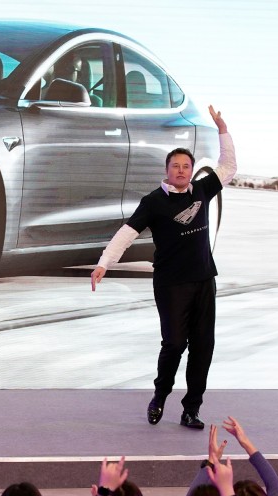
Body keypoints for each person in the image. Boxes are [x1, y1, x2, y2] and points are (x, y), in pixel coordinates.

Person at [91, 105, 236, 428]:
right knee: (174, 344)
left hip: (203, 280)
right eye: (176, 166)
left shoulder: (202, 189)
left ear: (192, 170)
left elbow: (228, 166)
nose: (181, 171)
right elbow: (127, 232)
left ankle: (191, 409)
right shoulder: (154, 201)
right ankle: (159, 396)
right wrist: (104, 263)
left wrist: (223, 130)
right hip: (171, 285)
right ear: (167, 170)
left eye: (186, 166)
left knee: (203, 347)